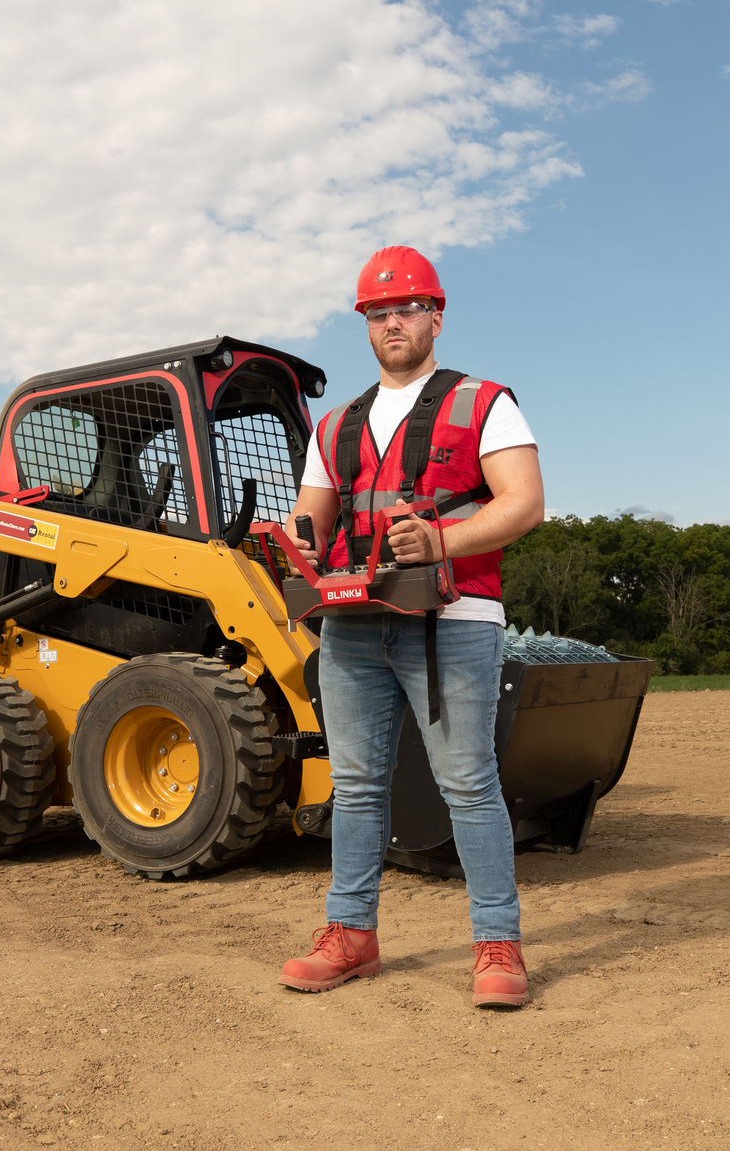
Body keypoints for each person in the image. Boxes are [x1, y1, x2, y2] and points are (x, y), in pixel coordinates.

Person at [277, 245, 545, 1009]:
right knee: (357, 786)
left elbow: (522, 502)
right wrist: (288, 547)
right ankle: (350, 936)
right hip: (354, 625)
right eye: (377, 312)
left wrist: (442, 542)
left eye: (406, 308)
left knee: (467, 782)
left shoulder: (485, 403)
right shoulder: (336, 426)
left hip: (454, 621)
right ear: (365, 324)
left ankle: (497, 943)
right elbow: (313, 520)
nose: (392, 321)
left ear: (436, 315)